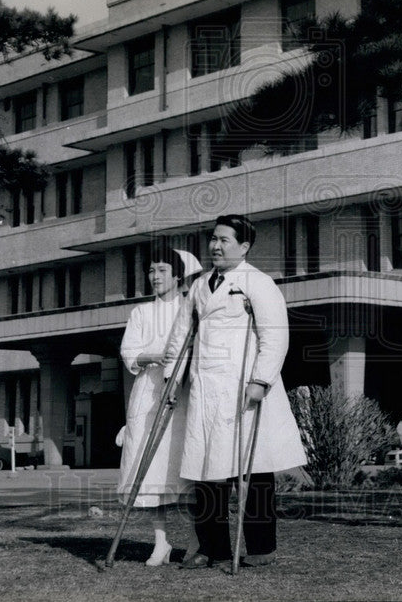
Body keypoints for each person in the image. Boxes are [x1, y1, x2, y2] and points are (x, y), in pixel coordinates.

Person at [163, 214, 306, 570]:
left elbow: (276, 336)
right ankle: (213, 549)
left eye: (224, 240)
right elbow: (181, 336)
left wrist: (260, 381)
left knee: (252, 470)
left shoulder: (257, 282)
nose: (215, 245)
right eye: (213, 238)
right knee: (206, 469)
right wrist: (172, 377)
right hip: (204, 388)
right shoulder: (198, 286)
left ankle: (260, 549)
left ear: (243, 246)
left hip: (242, 387)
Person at [117, 247, 203, 566]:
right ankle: (161, 542)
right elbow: (129, 353)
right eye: (151, 271)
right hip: (148, 393)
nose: (155, 277)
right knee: (150, 469)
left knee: (185, 468)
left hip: (182, 394)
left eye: (162, 270)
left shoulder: (191, 308)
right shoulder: (141, 313)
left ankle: (196, 542)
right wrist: (155, 356)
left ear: (177, 275)